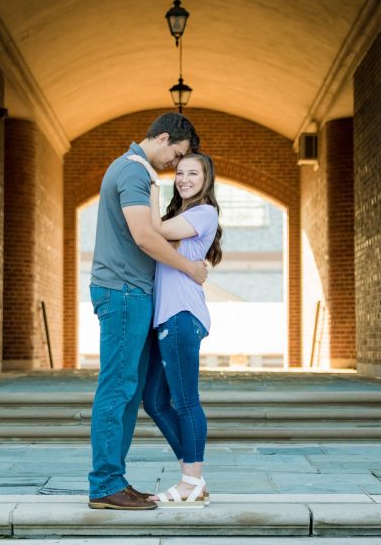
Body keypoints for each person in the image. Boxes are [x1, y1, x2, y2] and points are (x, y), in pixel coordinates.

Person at [87, 112, 209, 511]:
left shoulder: (138, 173)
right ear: (162, 138)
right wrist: (190, 267)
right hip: (122, 291)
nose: (176, 163)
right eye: (177, 153)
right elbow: (144, 236)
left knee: (131, 390)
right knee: (118, 388)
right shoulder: (134, 172)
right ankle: (104, 483)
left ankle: (113, 481)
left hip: (132, 293)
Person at [131, 151, 222, 507]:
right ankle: (192, 476)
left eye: (192, 174)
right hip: (165, 318)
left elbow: (155, 230)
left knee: (185, 401)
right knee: (153, 399)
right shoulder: (180, 214)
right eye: (179, 173)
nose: (183, 179)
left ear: (206, 180)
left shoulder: (204, 212)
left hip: (183, 316)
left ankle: (191, 481)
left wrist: (151, 185)